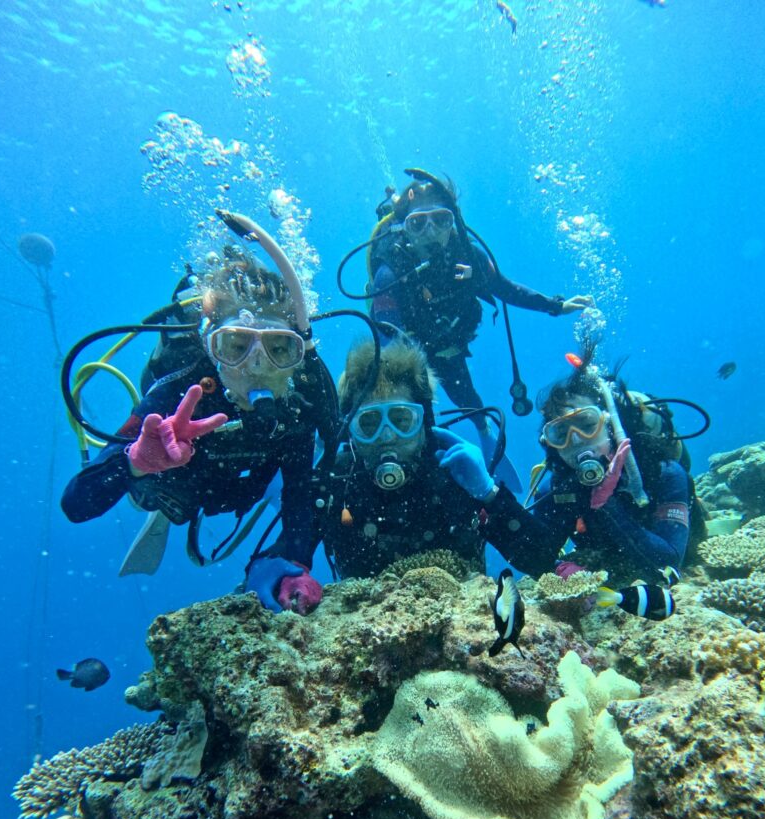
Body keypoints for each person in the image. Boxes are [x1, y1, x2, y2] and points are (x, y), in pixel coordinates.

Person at [61, 250, 339, 614]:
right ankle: (156, 505)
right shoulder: (176, 394)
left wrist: (295, 564)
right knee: (149, 494)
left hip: (248, 487)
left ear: (297, 354)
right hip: (178, 487)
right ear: (211, 346)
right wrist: (136, 463)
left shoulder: (297, 406)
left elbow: (301, 493)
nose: (256, 367)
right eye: (236, 347)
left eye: (278, 349)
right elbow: (76, 503)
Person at [367, 172, 593, 465]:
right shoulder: (391, 270)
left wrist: (554, 306)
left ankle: (483, 431)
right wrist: (406, 378)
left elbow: (504, 288)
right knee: (419, 414)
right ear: (403, 229)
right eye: (418, 223)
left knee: (468, 401)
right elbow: (387, 335)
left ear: (454, 222)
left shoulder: (469, 256)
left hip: (449, 348)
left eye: (441, 220)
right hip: (410, 355)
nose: (431, 232)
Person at [434, 343, 695, 584]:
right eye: (561, 434)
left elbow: (668, 565)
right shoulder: (559, 491)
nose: (577, 440)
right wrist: (490, 498)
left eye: (587, 425)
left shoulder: (664, 473)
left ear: (612, 426)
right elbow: (537, 551)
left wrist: (606, 505)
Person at [283, 338, 490, 580]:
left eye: (402, 420)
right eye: (369, 423)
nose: (388, 436)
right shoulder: (335, 482)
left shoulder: (456, 473)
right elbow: (291, 555)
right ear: (350, 429)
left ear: (424, 422)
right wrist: (284, 571)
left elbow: (542, 558)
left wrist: (489, 493)